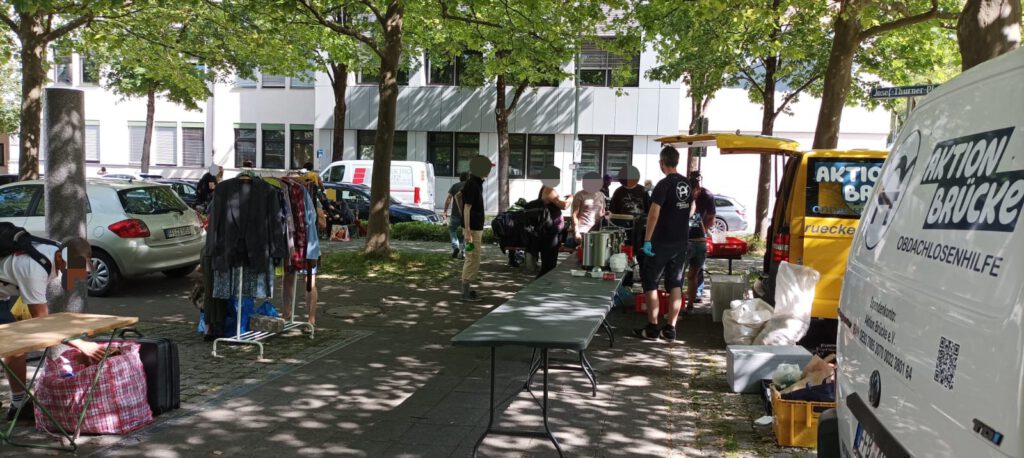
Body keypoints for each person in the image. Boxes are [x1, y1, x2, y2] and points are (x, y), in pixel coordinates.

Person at [0, 237, 102, 421]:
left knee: (15, 348)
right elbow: (43, 323)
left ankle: (18, 405)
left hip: (3, 293)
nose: (73, 274)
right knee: (11, 345)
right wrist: (81, 344)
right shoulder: (34, 269)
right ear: (60, 257)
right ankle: (19, 405)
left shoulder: (57, 250)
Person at [634, 146, 693, 342]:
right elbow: (691, 208)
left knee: (651, 282)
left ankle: (652, 327)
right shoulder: (687, 183)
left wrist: (647, 240)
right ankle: (670, 329)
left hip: (661, 242)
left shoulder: (663, 184)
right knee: (675, 283)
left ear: (662, 162)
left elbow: (653, 214)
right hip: (681, 241)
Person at [459, 156, 492, 302]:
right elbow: (467, 207)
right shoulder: (472, 184)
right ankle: (465, 293)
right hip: (472, 231)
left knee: (473, 257)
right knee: (471, 258)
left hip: (473, 229)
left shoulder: (475, 183)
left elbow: (458, 196)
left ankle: (467, 290)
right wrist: (467, 231)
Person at [685, 172, 716, 309]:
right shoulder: (686, 200)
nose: (694, 193)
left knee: (687, 275)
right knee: (691, 276)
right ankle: (687, 305)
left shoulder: (705, 196)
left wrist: (703, 234)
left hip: (694, 242)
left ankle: (688, 304)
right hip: (695, 242)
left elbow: (710, 218)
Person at [534, 184, 570, 278]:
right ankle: (539, 284)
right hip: (550, 232)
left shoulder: (549, 190)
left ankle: (544, 283)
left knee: (550, 264)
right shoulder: (548, 189)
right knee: (548, 265)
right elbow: (564, 205)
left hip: (552, 231)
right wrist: (571, 198)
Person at [571, 172, 607, 243]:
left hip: (597, 232)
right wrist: (576, 232)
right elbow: (575, 215)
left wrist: (606, 214)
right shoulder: (580, 195)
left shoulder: (601, 195)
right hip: (583, 230)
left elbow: (602, 212)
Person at [443, 173, 469, 259]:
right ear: (468, 178)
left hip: (455, 214)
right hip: (467, 215)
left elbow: (448, 198)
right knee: (467, 232)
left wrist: (445, 211)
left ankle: (455, 246)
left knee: (452, 229)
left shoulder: (455, 186)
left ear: (459, 178)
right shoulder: (470, 186)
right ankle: (464, 252)